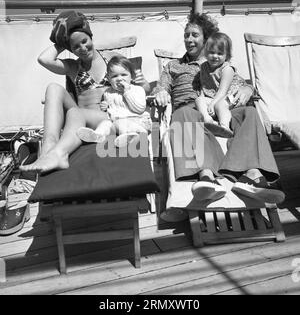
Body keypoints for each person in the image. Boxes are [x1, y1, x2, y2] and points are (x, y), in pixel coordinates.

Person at [154, 12, 285, 204]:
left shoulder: (218, 62)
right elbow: (161, 87)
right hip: (190, 108)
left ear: (206, 39)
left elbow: (240, 83)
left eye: (194, 35)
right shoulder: (173, 66)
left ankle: (252, 176)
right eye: (186, 35)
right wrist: (161, 92)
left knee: (249, 112)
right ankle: (207, 177)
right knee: (182, 114)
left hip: (222, 108)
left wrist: (248, 88)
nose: (188, 39)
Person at [20, 10, 150, 174]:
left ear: (91, 37)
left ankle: (59, 154)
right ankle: (49, 147)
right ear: (70, 49)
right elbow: (44, 59)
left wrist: (143, 85)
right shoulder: (74, 67)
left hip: (108, 117)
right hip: (81, 117)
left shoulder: (112, 59)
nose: (82, 47)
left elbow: (141, 89)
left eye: (84, 40)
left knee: (76, 113)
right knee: (53, 88)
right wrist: (63, 40)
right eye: (75, 46)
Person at [77, 55, 151, 148]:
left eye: (124, 75)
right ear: (108, 79)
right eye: (115, 76)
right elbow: (113, 109)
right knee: (105, 123)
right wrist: (106, 107)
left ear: (131, 76)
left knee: (120, 123)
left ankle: (130, 136)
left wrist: (127, 92)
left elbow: (139, 109)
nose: (119, 78)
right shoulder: (108, 93)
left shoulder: (137, 89)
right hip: (117, 123)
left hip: (138, 122)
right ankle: (97, 135)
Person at [196, 32, 247, 138]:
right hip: (216, 98)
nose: (215, 56)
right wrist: (204, 101)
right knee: (199, 100)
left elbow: (223, 91)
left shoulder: (227, 69)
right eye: (211, 52)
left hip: (232, 96)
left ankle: (225, 127)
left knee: (220, 105)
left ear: (226, 55)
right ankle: (208, 121)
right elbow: (203, 86)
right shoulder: (204, 67)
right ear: (206, 53)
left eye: (219, 53)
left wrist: (212, 104)